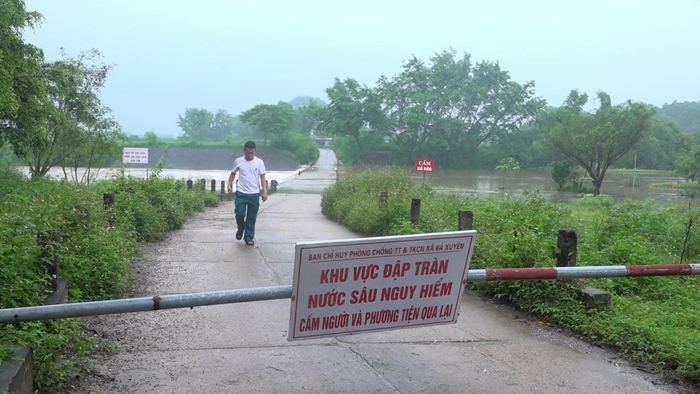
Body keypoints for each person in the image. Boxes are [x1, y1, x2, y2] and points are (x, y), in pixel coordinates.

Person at [227, 141, 268, 245]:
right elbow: (233, 173)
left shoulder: (259, 162)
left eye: (251, 153)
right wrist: (229, 184)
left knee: (251, 216)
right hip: (241, 192)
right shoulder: (238, 161)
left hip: (254, 193)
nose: (249, 155)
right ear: (244, 150)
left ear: (255, 151)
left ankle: (248, 237)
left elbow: (262, 177)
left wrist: (264, 191)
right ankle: (241, 229)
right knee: (240, 213)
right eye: (247, 153)